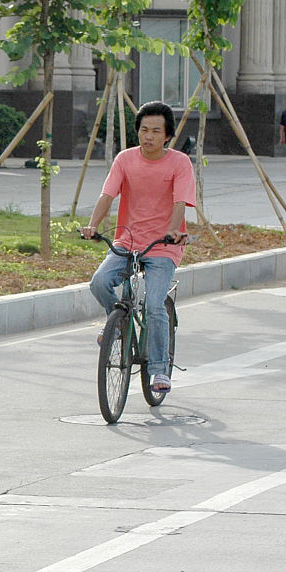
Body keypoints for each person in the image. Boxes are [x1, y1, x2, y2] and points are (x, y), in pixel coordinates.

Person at [80, 101, 194, 393]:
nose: (149, 136)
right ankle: (116, 324)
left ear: (167, 136)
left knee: (155, 304)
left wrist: (173, 231)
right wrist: (93, 224)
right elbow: (107, 195)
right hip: (127, 240)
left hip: (163, 245)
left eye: (157, 131)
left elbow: (180, 201)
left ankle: (159, 371)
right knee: (99, 282)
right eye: (144, 130)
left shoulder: (179, 162)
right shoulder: (125, 159)